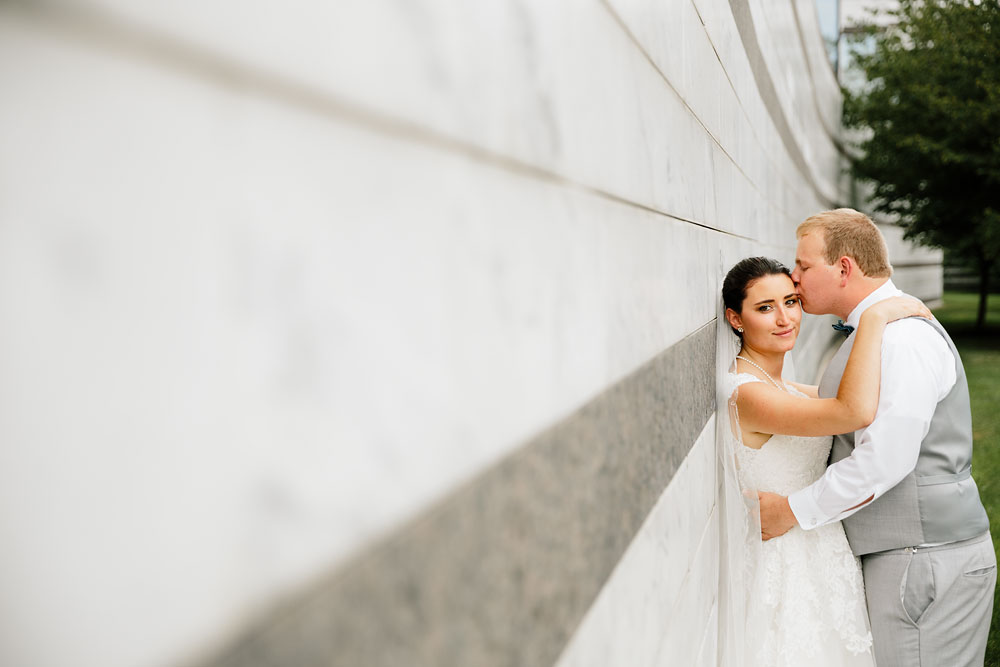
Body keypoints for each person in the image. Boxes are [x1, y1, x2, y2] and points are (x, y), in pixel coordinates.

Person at [757, 208, 995, 666]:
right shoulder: (881, 332)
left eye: (804, 266)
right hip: (911, 556)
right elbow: (841, 403)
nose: (793, 276)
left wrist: (790, 510)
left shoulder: (901, 341)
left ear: (844, 268)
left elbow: (886, 458)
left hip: (924, 561)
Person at [719, 255, 930, 666]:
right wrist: (873, 319)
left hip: (819, 544)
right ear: (735, 318)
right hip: (783, 558)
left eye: (791, 301)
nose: (784, 318)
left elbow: (855, 396)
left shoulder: (777, 385)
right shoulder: (746, 392)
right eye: (765, 308)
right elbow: (851, 411)